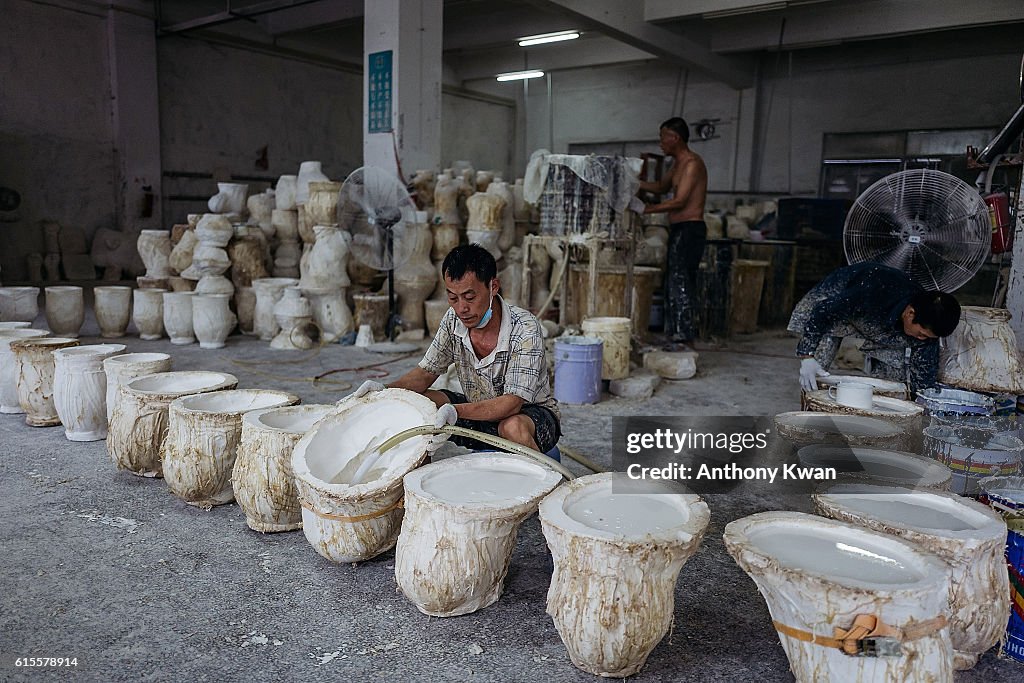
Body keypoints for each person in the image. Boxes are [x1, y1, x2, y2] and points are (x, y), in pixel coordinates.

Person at [351, 244, 560, 453]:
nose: (461, 308)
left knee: (512, 426)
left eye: (470, 297)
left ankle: (544, 478)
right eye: (453, 298)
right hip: (477, 410)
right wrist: (385, 391)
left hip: (528, 416)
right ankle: (410, 477)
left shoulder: (524, 327)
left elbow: (511, 403)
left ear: (493, 287)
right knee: (416, 403)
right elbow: (425, 373)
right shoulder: (452, 320)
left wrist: (455, 411)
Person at [789, 262, 961, 396]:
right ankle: (810, 410)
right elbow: (822, 311)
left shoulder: (927, 323)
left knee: (894, 381)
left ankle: (882, 416)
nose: (922, 338)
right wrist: (807, 356)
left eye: (927, 336)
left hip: (885, 324)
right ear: (910, 314)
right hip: (842, 308)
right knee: (816, 369)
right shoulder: (868, 294)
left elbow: (923, 379)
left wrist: (920, 407)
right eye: (922, 334)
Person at [639, 116, 709, 350]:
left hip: (691, 229)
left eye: (662, 138)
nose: (660, 143)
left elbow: (679, 201)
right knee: (672, 282)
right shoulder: (677, 164)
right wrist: (634, 183)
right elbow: (660, 187)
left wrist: (646, 209)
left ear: (675, 138)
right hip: (678, 229)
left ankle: (685, 337)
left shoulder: (692, 164)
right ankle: (675, 333)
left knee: (681, 283)